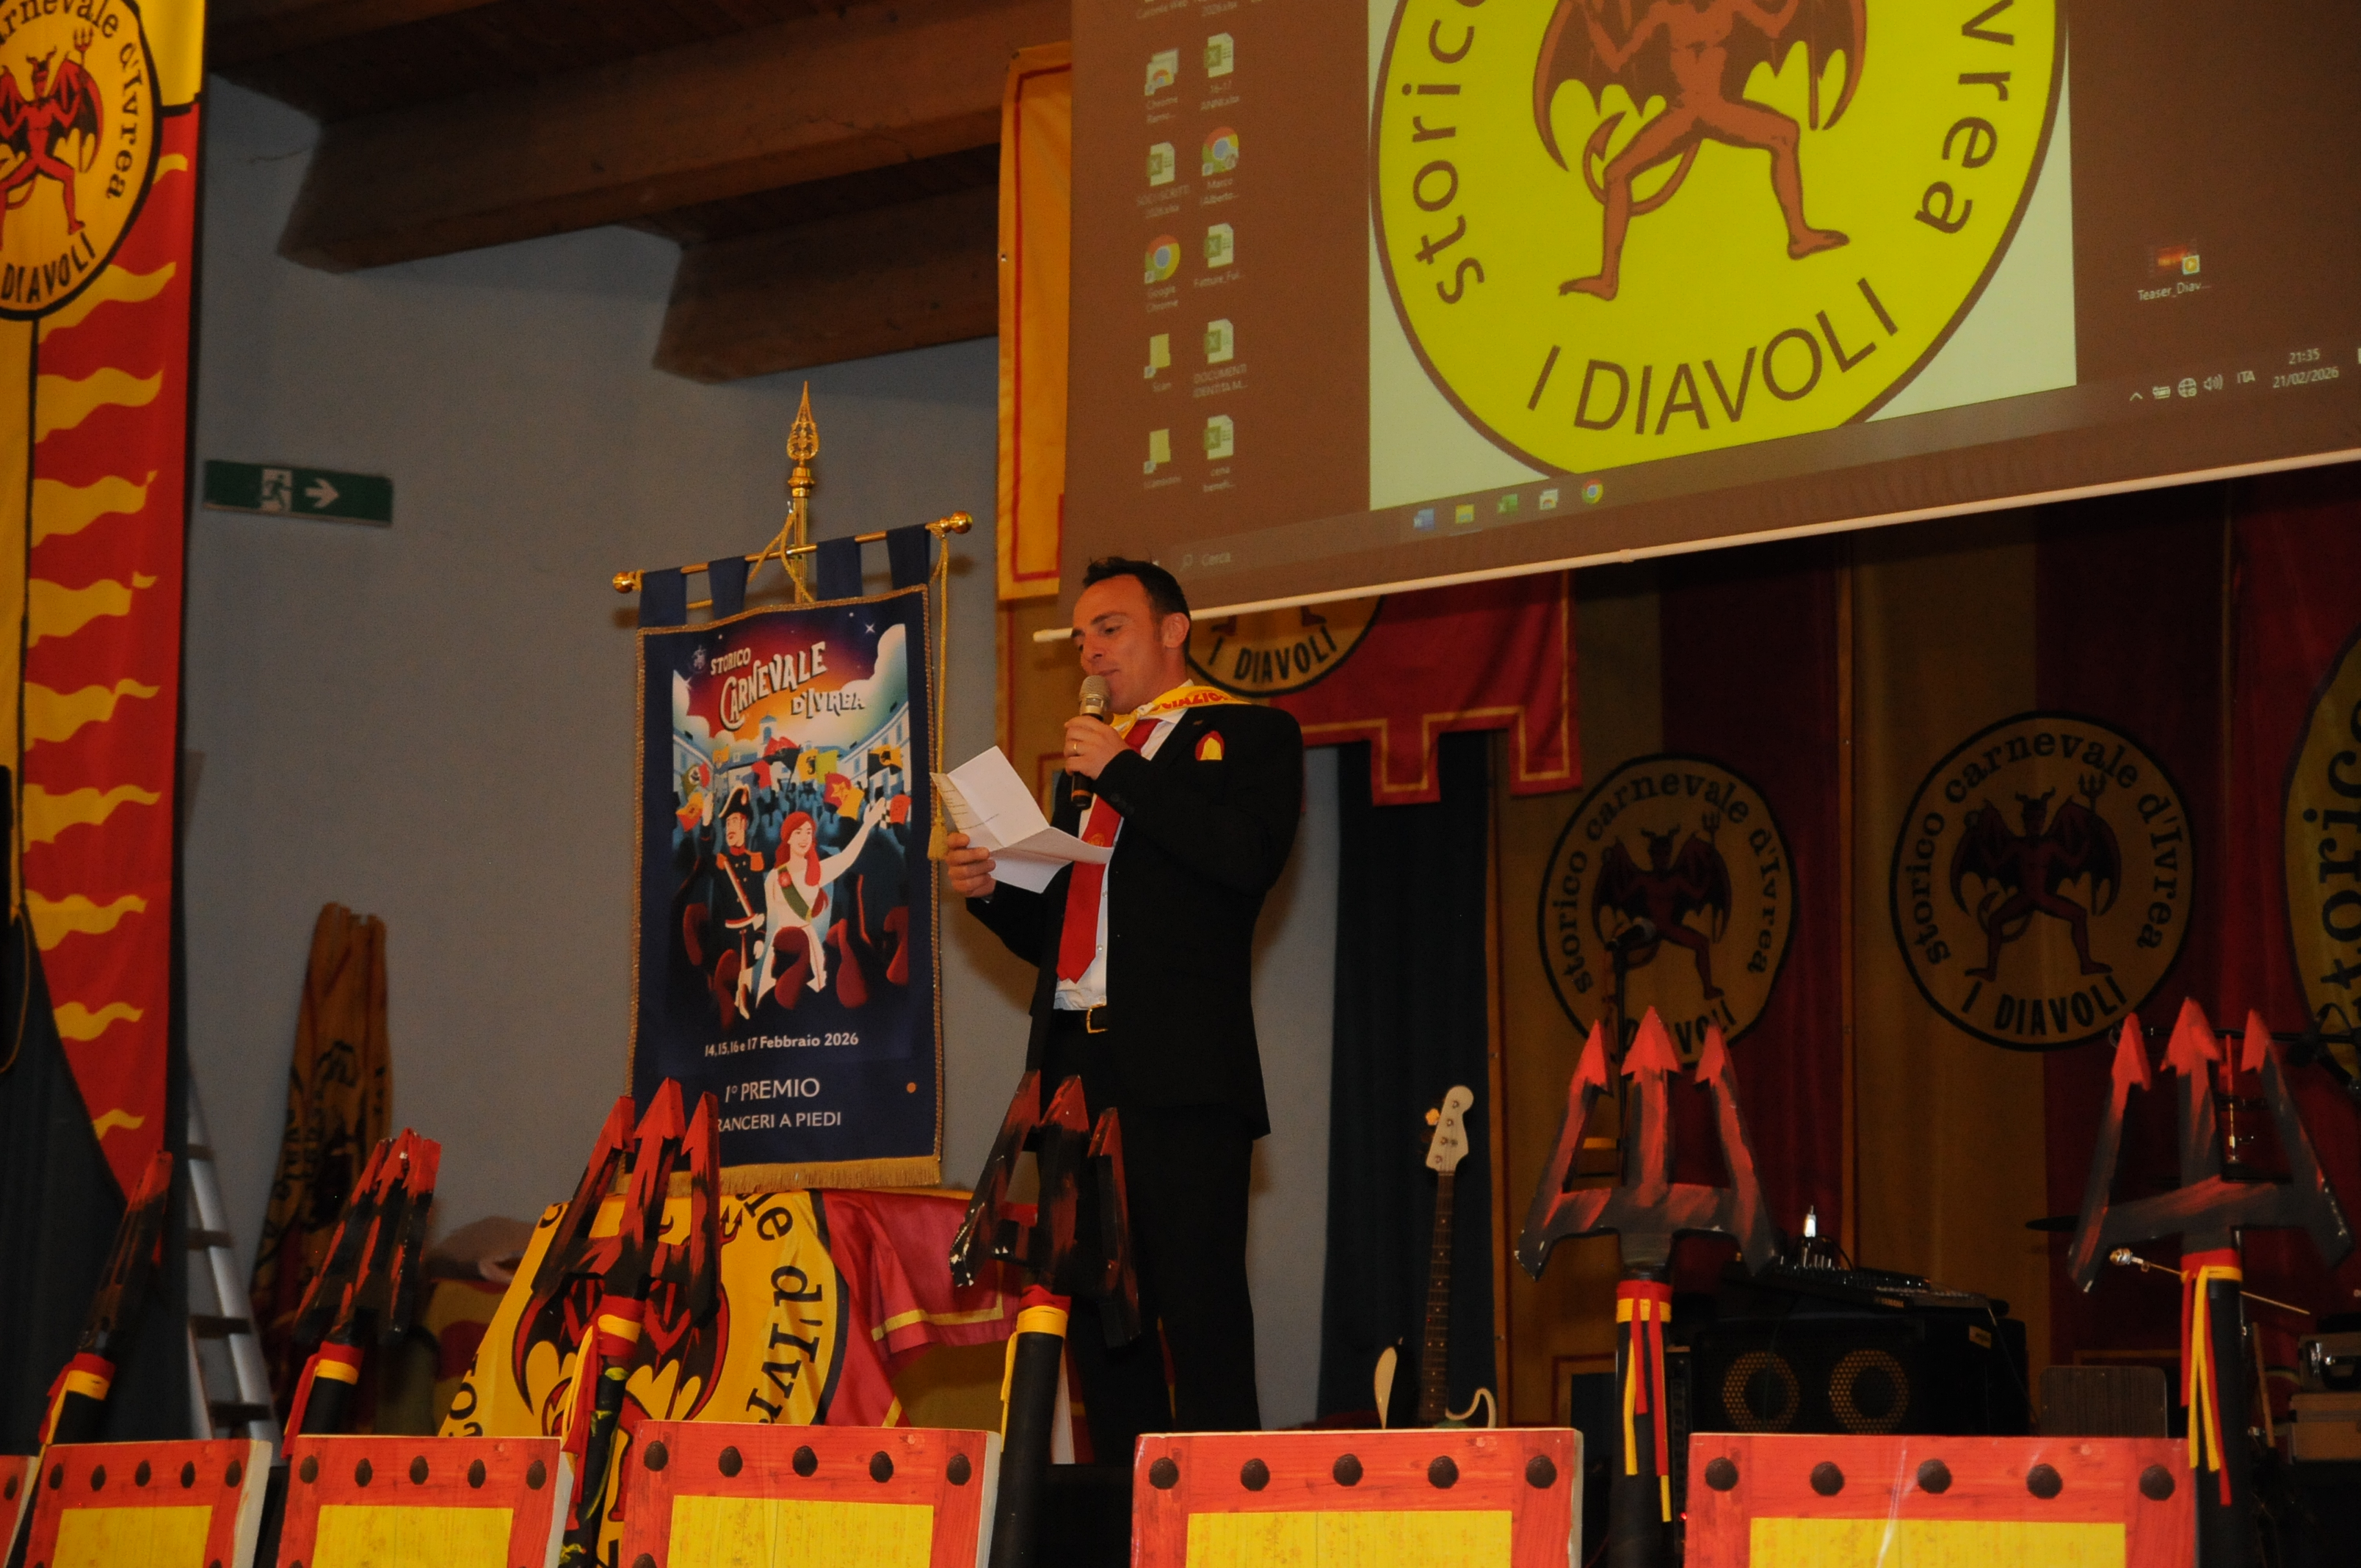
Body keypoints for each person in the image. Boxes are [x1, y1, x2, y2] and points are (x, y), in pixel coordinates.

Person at [946, 556, 1303, 1456]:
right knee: (1103, 1330)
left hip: (1183, 1076)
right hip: (1077, 1073)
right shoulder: (1092, 767)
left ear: (1173, 629)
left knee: (1200, 1312)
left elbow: (1244, 860)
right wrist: (991, 891)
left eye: (1110, 629)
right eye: (1081, 639)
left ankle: (1221, 1520)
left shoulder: (1251, 734)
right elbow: (1065, 932)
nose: (1091, 653)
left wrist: (1126, 774)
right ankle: (1119, 1517)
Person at [759, 796, 892, 1005]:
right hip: (782, 946)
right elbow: (769, 921)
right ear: (788, 838)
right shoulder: (775, 878)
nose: (804, 838)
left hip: (808, 944)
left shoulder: (816, 872)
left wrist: (867, 825)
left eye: (808, 832)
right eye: (798, 832)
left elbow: (847, 858)